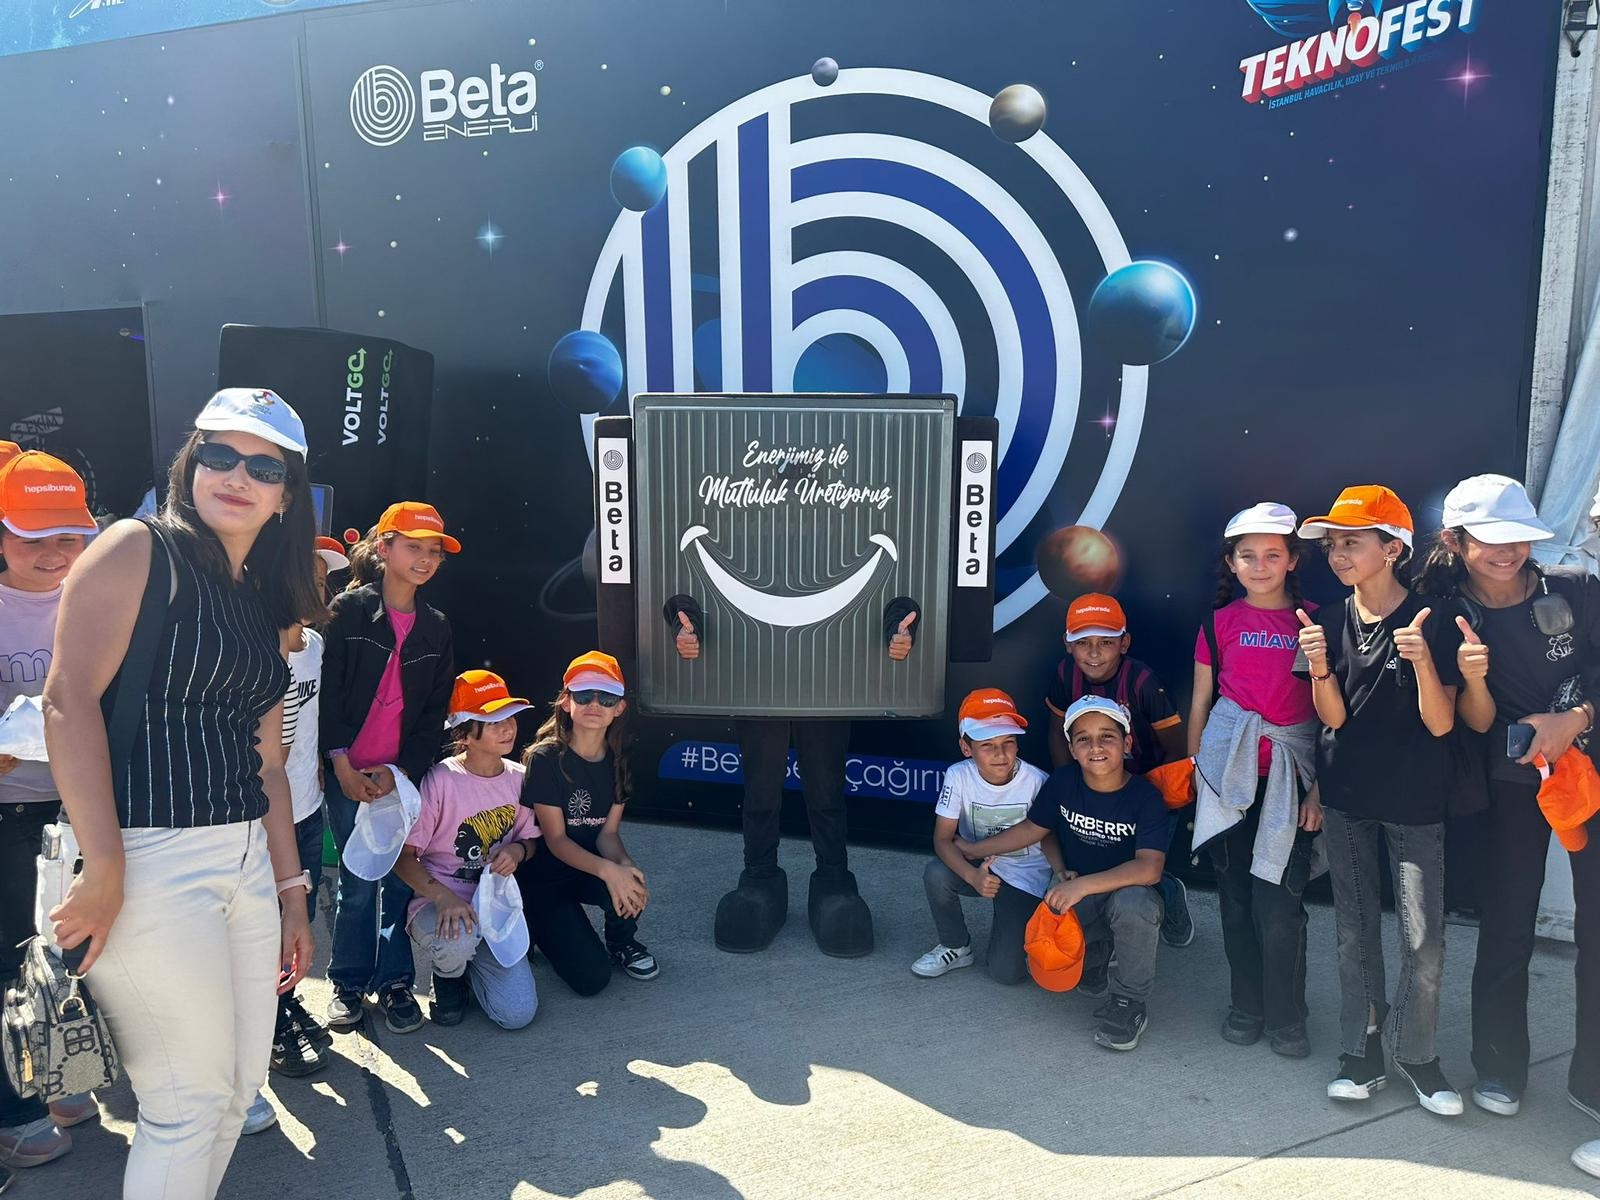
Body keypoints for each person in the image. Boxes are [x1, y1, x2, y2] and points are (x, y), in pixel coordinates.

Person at [42, 387, 322, 1200]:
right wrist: (105, 866)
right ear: (190, 464)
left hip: (246, 862)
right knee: (185, 1105)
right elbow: (66, 700)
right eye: (220, 455)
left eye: (263, 467)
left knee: (235, 1094)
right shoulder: (137, 549)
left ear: (285, 496)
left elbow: (268, 765)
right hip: (147, 856)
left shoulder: (261, 598)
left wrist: (292, 892)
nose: (237, 476)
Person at [1414, 474, 1598, 1133]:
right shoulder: (1442, 616)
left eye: (1519, 536)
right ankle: (1498, 1065)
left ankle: (1593, 1082)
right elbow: (1464, 721)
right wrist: (1473, 676)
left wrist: (1574, 718)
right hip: (1509, 784)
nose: (1508, 551)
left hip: (1590, 776)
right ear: (1455, 541)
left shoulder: (1577, 588)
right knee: (1507, 923)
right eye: (1490, 539)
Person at [1294, 486, 1467, 1115]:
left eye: (1352, 542)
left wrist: (1421, 661)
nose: (1338, 554)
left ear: (1393, 549)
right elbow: (1333, 718)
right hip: (1346, 798)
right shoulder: (1324, 618)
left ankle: (1417, 1056)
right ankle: (1362, 1050)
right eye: (1332, 545)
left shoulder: (1435, 619)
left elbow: (1443, 724)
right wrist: (1319, 666)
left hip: (1417, 800)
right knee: (1354, 930)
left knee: (1424, 941)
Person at [956, 696, 1168, 1051]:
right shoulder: (1064, 781)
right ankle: (1097, 953)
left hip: (1123, 890)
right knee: (1039, 945)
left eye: (1107, 736)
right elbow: (1033, 829)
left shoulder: (1145, 796)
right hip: (1076, 890)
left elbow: (1149, 867)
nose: (1095, 747)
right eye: (1084, 739)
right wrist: (975, 850)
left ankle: (1129, 1002)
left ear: (1127, 743)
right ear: (1071, 749)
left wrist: (1082, 886)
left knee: (1135, 904)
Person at [1189, 502, 1322, 1060]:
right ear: (1232, 563)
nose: (1260, 566)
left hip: (1290, 784)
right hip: (1228, 781)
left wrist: (1320, 790)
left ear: (1293, 560)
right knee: (1236, 902)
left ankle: (1288, 1017)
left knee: (1280, 906)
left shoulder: (1316, 622)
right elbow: (1202, 703)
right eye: (1248, 556)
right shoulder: (1217, 624)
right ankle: (1246, 1006)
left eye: (1273, 554)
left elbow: (1335, 716)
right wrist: (1198, 773)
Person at [320, 502, 457, 1034]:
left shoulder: (437, 627)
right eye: (413, 547)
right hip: (348, 776)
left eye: (434, 551)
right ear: (385, 548)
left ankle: (397, 982)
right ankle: (347, 983)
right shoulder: (347, 612)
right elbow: (328, 697)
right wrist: (340, 764)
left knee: (400, 884)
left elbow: (432, 714)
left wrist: (401, 774)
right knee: (357, 883)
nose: (425, 559)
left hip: (399, 778)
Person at [0, 450, 100, 1169]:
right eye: (32, 536)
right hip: (9, 814)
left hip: (75, 811)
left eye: (69, 536)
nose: (55, 554)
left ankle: (58, 1076)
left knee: (69, 953)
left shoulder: (93, 599)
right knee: (11, 959)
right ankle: (15, 1110)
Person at [243, 535, 350, 1136]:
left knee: (295, 919)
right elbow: (266, 756)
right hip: (260, 819)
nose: (315, 587)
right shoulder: (254, 645)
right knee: (262, 925)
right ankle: (267, 1026)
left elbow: (308, 728)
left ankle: (283, 1002)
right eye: (303, 575)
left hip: (305, 809)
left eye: (322, 577)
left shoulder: (315, 645)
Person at [1044, 592, 1193, 948]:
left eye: (1106, 642)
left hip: (1148, 788)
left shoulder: (1143, 682)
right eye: (1083, 642)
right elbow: (1056, 732)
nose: (1094, 653)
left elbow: (1175, 748)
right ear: (1067, 644)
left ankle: (1170, 894)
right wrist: (1071, 784)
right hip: (1094, 784)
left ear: (1124, 643)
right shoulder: (1065, 674)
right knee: (1102, 860)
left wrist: (1144, 799)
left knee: (1142, 867)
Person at [395, 670, 539, 1029]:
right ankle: (448, 978)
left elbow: (532, 840)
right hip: (440, 903)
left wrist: (519, 851)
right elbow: (403, 858)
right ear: (463, 734)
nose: (507, 728)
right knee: (456, 943)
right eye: (493, 722)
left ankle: (470, 968)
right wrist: (442, 897)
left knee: (517, 1014)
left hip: (493, 907)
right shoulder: (440, 780)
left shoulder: (520, 778)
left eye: (510, 717)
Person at [515, 651, 656, 994]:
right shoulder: (545, 758)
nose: (595, 704)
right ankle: (533, 923)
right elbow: (556, 840)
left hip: (588, 869)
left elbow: (608, 834)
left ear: (619, 707)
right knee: (592, 980)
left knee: (630, 881)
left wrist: (626, 868)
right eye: (583, 695)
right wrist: (609, 871)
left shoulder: (619, 757)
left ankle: (622, 942)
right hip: (545, 880)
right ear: (566, 702)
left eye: (606, 697)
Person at [911, 688, 1058, 983]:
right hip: (979, 868)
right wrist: (972, 876)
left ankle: (1017, 928)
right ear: (966, 748)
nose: (1000, 754)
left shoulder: (1037, 781)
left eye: (1008, 742)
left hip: (1025, 876)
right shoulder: (958, 776)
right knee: (936, 874)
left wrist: (1059, 873)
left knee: (1007, 974)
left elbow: (1049, 836)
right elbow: (942, 839)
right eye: (987, 745)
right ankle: (956, 946)